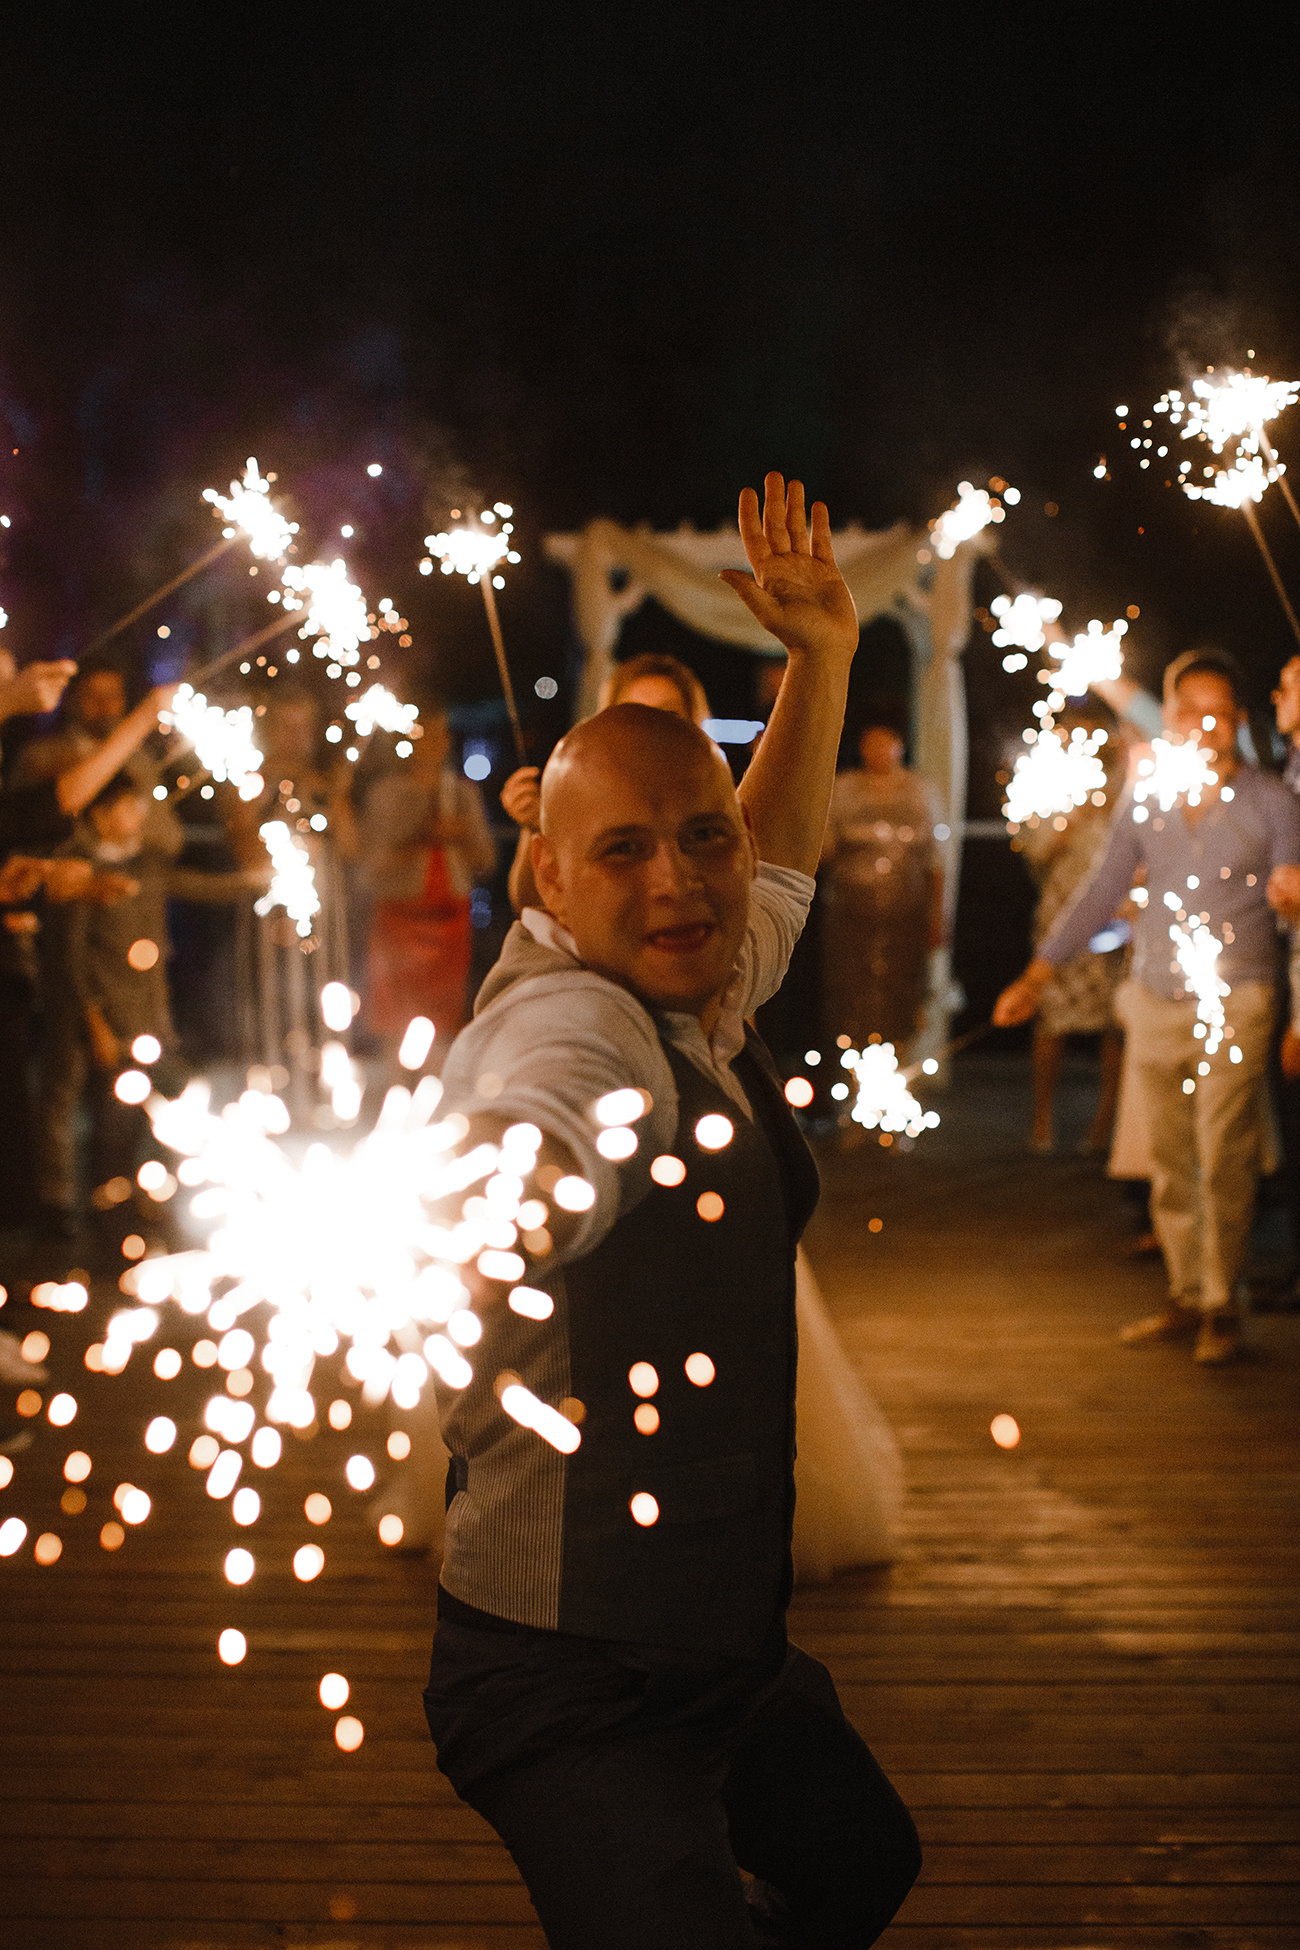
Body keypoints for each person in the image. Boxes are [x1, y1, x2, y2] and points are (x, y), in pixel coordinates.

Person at [421, 476, 920, 1948]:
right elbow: (545, 1112)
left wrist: (820, 660)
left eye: (695, 836)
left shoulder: (702, 968)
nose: (683, 879)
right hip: (565, 1678)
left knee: (864, 1865)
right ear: (547, 880)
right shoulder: (572, 1020)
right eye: (624, 853)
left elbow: (772, 858)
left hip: (721, 1647)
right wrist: (510, 1196)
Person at [994, 654, 1300, 1365]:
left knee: (1222, 1150)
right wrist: (1037, 977)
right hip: (1154, 992)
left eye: (1220, 709)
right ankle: (1186, 1292)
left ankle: (1224, 1303)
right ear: (1171, 717)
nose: (1206, 721)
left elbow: (1291, 893)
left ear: (1240, 722)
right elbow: (1102, 890)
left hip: (1240, 995)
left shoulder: (1273, 802)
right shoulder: (1147, 797)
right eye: (1190, 707)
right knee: (1167, 1154)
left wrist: (1290, 900)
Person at [37, 772, 266, 1240]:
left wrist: (252, 881)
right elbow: (71, 957)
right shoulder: (79, 871)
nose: (139, 814)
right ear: (99, 815)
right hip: (105, 1016)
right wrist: (95, 1023)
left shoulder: (147, 865)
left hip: (148, 1017)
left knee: (158, 1106)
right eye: (128, 806)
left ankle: (137, 1202)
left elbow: (197, 886)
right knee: (107, 1118)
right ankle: (89, 1216)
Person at [500, 652, 711, 916]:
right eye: (634, 713)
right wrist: (535, 826)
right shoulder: (590, 806)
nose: (650, 727)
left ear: (693, 722)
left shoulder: (716, 804)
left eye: (667, 713)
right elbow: (532, 905)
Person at [1014, 707, 1128, 1155]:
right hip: (1059, 918)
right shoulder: (1046, 791)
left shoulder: (1120, 788)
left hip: (1113, 923)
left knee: (1113, 1025)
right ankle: (1042, 1119)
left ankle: (1105, 1123)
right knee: (1050, 1020)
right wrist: (1073, 818)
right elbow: (1037, 852)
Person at [356, 710, 496, 1060]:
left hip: (450, 919)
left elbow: (486, 860)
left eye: (440, 736)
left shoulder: (462, 794)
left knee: (444, 1015)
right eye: (424, 736)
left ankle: (437, 1091)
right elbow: (372, 866)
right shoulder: (387, 794)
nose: (434, 745)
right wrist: (424, 837)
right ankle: (399, 1086)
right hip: (399, 919)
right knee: (395, 1014)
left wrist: (462, 837)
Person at [819, 714, 944, 1058]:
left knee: (901, 989)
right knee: (851, 988)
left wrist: (937, 915)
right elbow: (824, 849)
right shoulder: (843, 787)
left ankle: (900, 1068)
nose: (878, 751)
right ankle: (851, 1073)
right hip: (851, 911)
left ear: (899, 745)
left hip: (906, 910)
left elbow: (936, 859)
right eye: (870, 743)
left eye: (885, 741)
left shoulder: (920, 790)